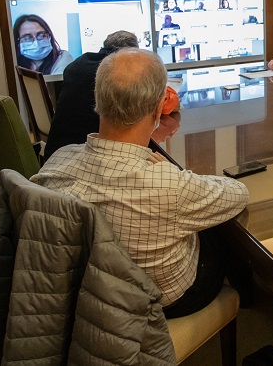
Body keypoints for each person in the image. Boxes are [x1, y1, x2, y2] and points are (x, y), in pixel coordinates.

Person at [31, 48, 249, 318]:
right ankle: (250, 293)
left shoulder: (56, 162)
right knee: (216, 231)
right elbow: (238, 193)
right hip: (165, 299)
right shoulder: (168, 183)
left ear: (98, 100)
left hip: (86, 293)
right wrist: (179, 176)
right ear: (159, 108)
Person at [44, 30, 140, 159]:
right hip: (84, 154)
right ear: (130, 53)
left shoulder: (77, 64)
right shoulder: (115, 72)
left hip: (56, 148)